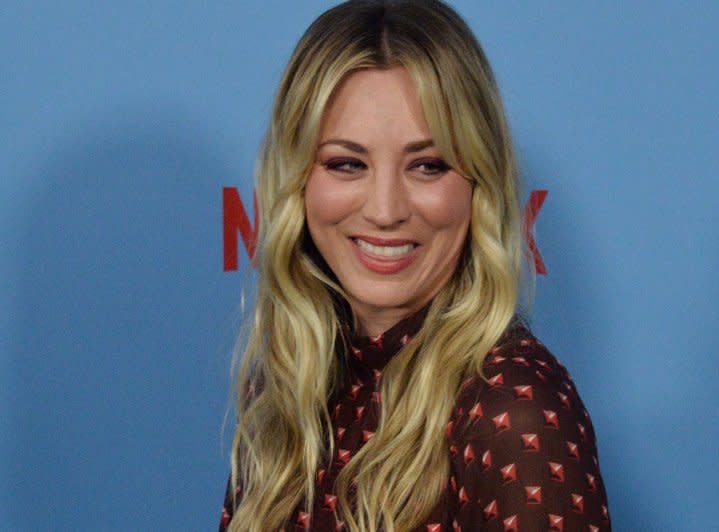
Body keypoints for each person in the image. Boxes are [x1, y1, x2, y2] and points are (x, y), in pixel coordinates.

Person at [220, 0, 611, 530]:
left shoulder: (513, 412)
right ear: (299, 182)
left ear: (478, 185)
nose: (385, 210)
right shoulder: (288, 383)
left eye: (427, 166)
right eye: (346, 164)